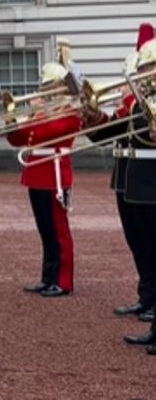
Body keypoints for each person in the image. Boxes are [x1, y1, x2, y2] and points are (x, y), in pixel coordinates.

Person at [86, 24, 155, 321]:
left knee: (152, 245)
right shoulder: (138, 101)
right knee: (138, 243)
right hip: (128, 177)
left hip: (149, 178)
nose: (144, 72)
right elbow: (109, 133)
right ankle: (147, 296)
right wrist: (93, 118)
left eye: (148, 66)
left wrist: (131, 99)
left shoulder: (143, 101)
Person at [5, 39, 79, 297]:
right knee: (45, 231)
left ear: (60, 88)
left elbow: (52, 133)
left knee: (59, 231)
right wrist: (11, 121)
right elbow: (19, 138)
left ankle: (64, 280)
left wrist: (41, 113)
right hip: (36, 174)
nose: (42, 91)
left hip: (55, 174)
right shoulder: (42, 112)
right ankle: (48, 276)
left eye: (47, 87)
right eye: (43, 86)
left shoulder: (69, 111)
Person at [114, 37, 156, 353]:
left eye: (147, 67)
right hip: (139, 184)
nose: (142, 73)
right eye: (141, 68)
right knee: (145, 249)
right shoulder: (145, 99)